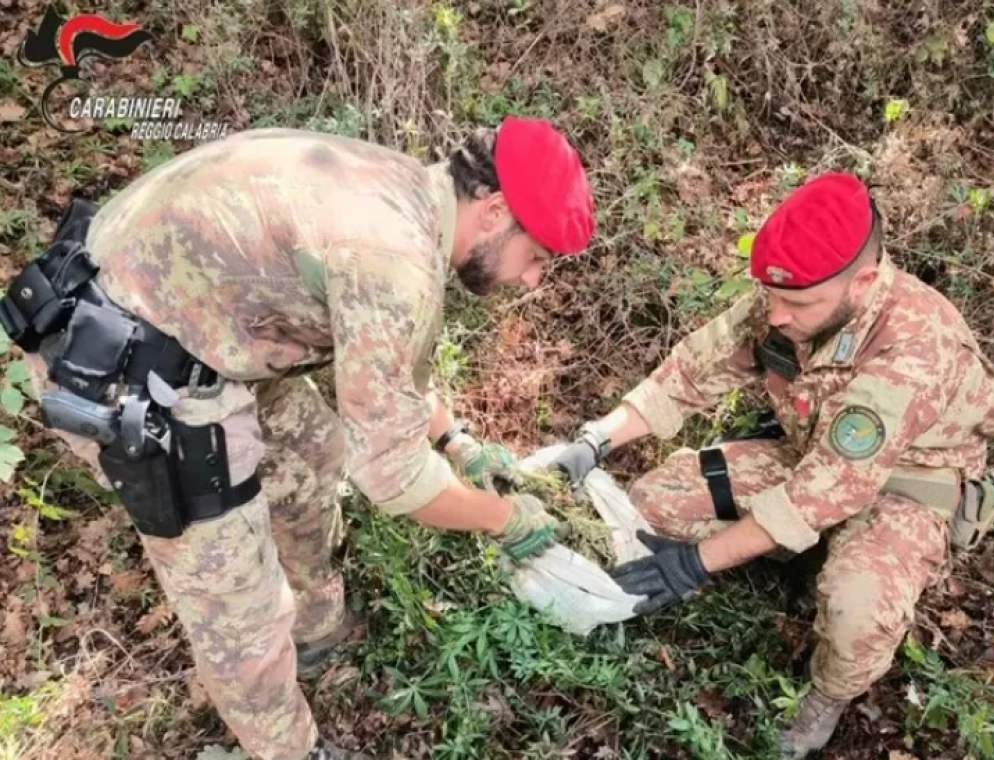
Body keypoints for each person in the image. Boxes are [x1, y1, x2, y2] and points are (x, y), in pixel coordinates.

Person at [1, 116, 595, 760]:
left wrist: (457, 442)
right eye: (536, 256)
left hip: (208, 327)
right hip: (126, 367)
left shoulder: (410, 194)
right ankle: (290, 748)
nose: (533, 280)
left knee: (317, 454)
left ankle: (317, 626)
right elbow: (391, 475)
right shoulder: (393, 257)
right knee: (242, 615)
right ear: (495, 210)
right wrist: (504, 519)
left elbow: (398, 372)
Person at [550, 173, 994, 758]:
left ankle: (829, 696)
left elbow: (826, 492)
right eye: (770, 297)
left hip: (907, 487)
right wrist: (595, 440)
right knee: (652, 501)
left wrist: (693, 565)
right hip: (809, 457)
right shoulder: (790, 299)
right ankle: (794, 551)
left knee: (855, 610)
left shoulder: (915, 347)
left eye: (795, 304)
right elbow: (690, 373)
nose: (775, 317)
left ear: (863, 282)